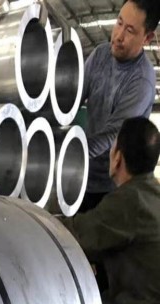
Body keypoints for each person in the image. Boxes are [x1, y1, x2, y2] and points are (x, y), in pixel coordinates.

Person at [61, 117, 160, 304]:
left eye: (113, 146)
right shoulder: (151, 194)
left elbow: (75, 235)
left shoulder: (129, 201)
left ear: (118, 157)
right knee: (106, 300)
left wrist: (27, 217)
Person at [80, 0, 158, 212]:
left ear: (147, 37)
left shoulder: (141, 81)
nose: (118, 36)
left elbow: (112, 135)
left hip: (113, 187)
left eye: (130, 30)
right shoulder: (100, 55)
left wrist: (69, 155)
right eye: (119, 23)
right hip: (82, 174)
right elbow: (72, 100)